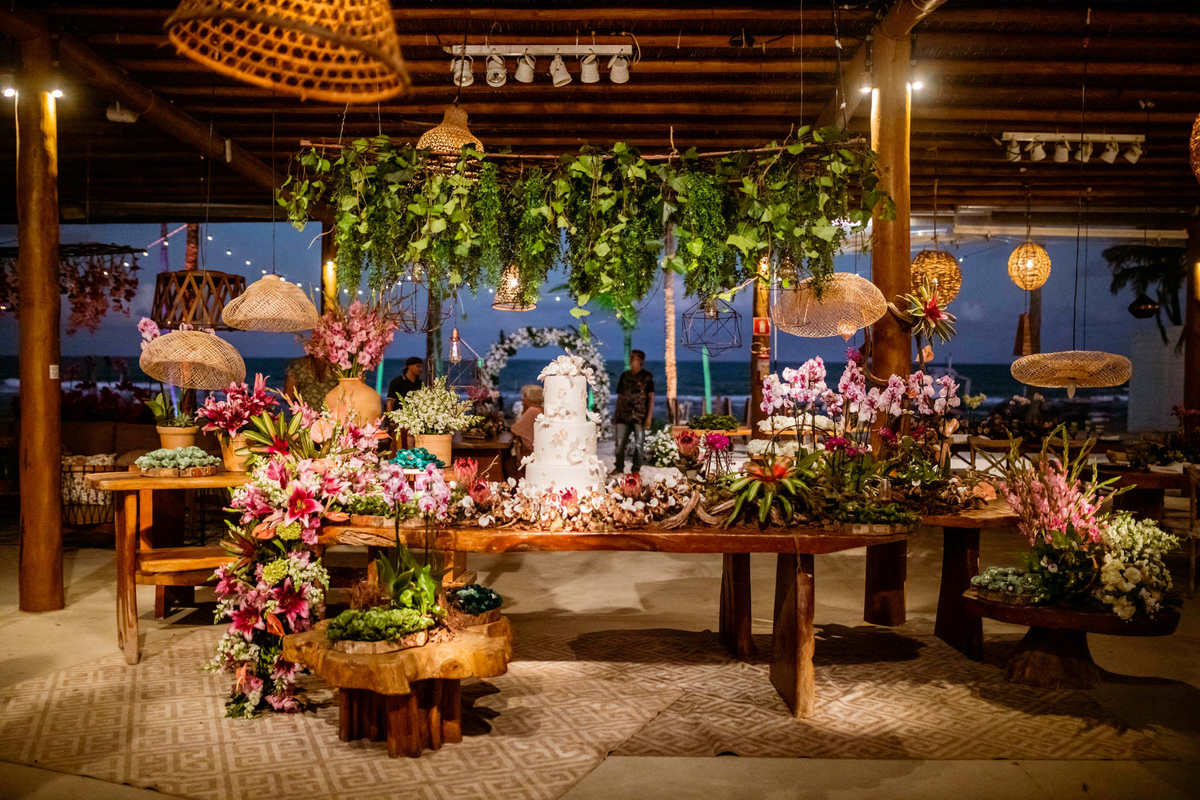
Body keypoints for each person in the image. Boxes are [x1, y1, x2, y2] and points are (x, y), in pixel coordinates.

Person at [613, 349, 654, 474]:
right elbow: (619, 396)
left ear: (640, 361)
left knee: (639, 445)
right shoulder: (624, 375)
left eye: (634, 358)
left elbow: (651, 398)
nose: (631, 360)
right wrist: (615, 414)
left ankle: (636, 470)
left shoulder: (647, 377)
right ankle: (619, 468)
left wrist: (648, 418)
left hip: (639, 416)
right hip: (622, 415)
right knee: (619, 444)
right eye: (631, 358)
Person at [510, 384, 544, 456]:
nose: (522, 398)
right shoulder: (540, 409)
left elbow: (515, 429)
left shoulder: (532, 411)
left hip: (530, 452)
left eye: (524, 396)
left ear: (531, 397)